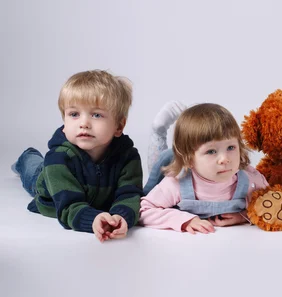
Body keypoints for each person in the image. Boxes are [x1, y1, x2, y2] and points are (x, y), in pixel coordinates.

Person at [12, 70, 143, 242]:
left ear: (119, 126)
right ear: (64, 123)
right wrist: (93, 219)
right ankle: (26, 157)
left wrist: (121, 217)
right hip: (49, 184)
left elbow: (130, 194)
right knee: (33, 170)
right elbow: (68, 206)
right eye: (74, 114)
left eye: (96, 115)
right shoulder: (58, 159)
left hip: (84, 186)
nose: (84, 124)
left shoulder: (128, 157)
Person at [139, 102, 268, 233]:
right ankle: (158, 131)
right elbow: (144, 211)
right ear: (189, 159)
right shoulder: (177, 183)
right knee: (159, 162)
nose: (224, 159)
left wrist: (243, 217)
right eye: (211, 151)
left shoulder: (250, 181)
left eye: (231, 147)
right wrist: (184, 220)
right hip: (169, 165)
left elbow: (270, 207)